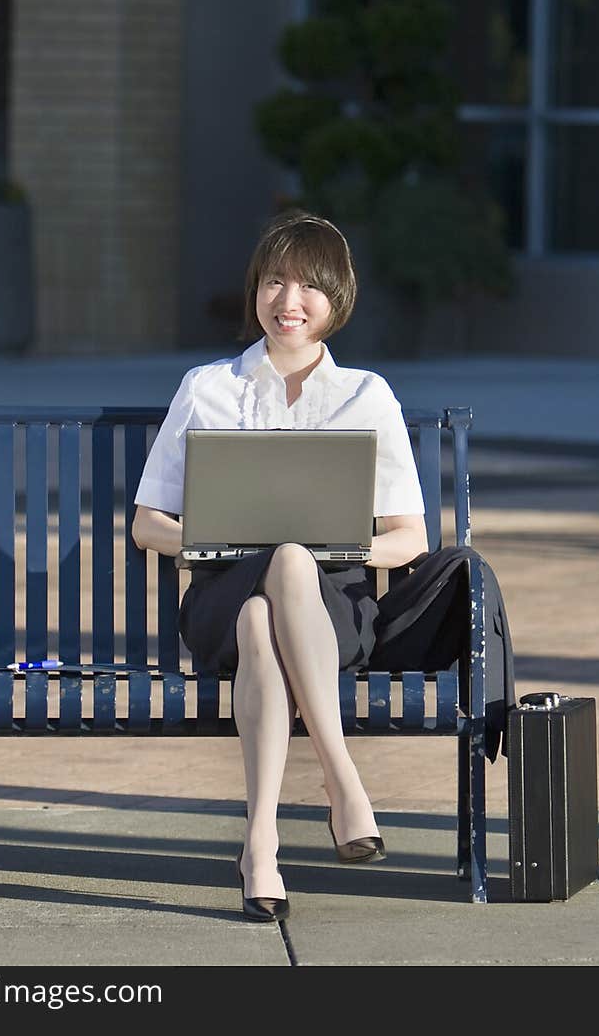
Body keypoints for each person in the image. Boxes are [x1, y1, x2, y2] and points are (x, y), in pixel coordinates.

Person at [131, 209, 509, 921]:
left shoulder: (366, 397)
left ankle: (262, 845)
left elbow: (408, 540)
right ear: (255, 292)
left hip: (332, 611)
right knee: (253, 598)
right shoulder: (206, 388)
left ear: (338, 299)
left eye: (307, 286)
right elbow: (148, 524)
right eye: (273, 282)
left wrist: (333, 550)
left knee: (275, 596)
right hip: (220, 592)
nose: (287, 301)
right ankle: (342, 782)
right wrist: (213, 542)